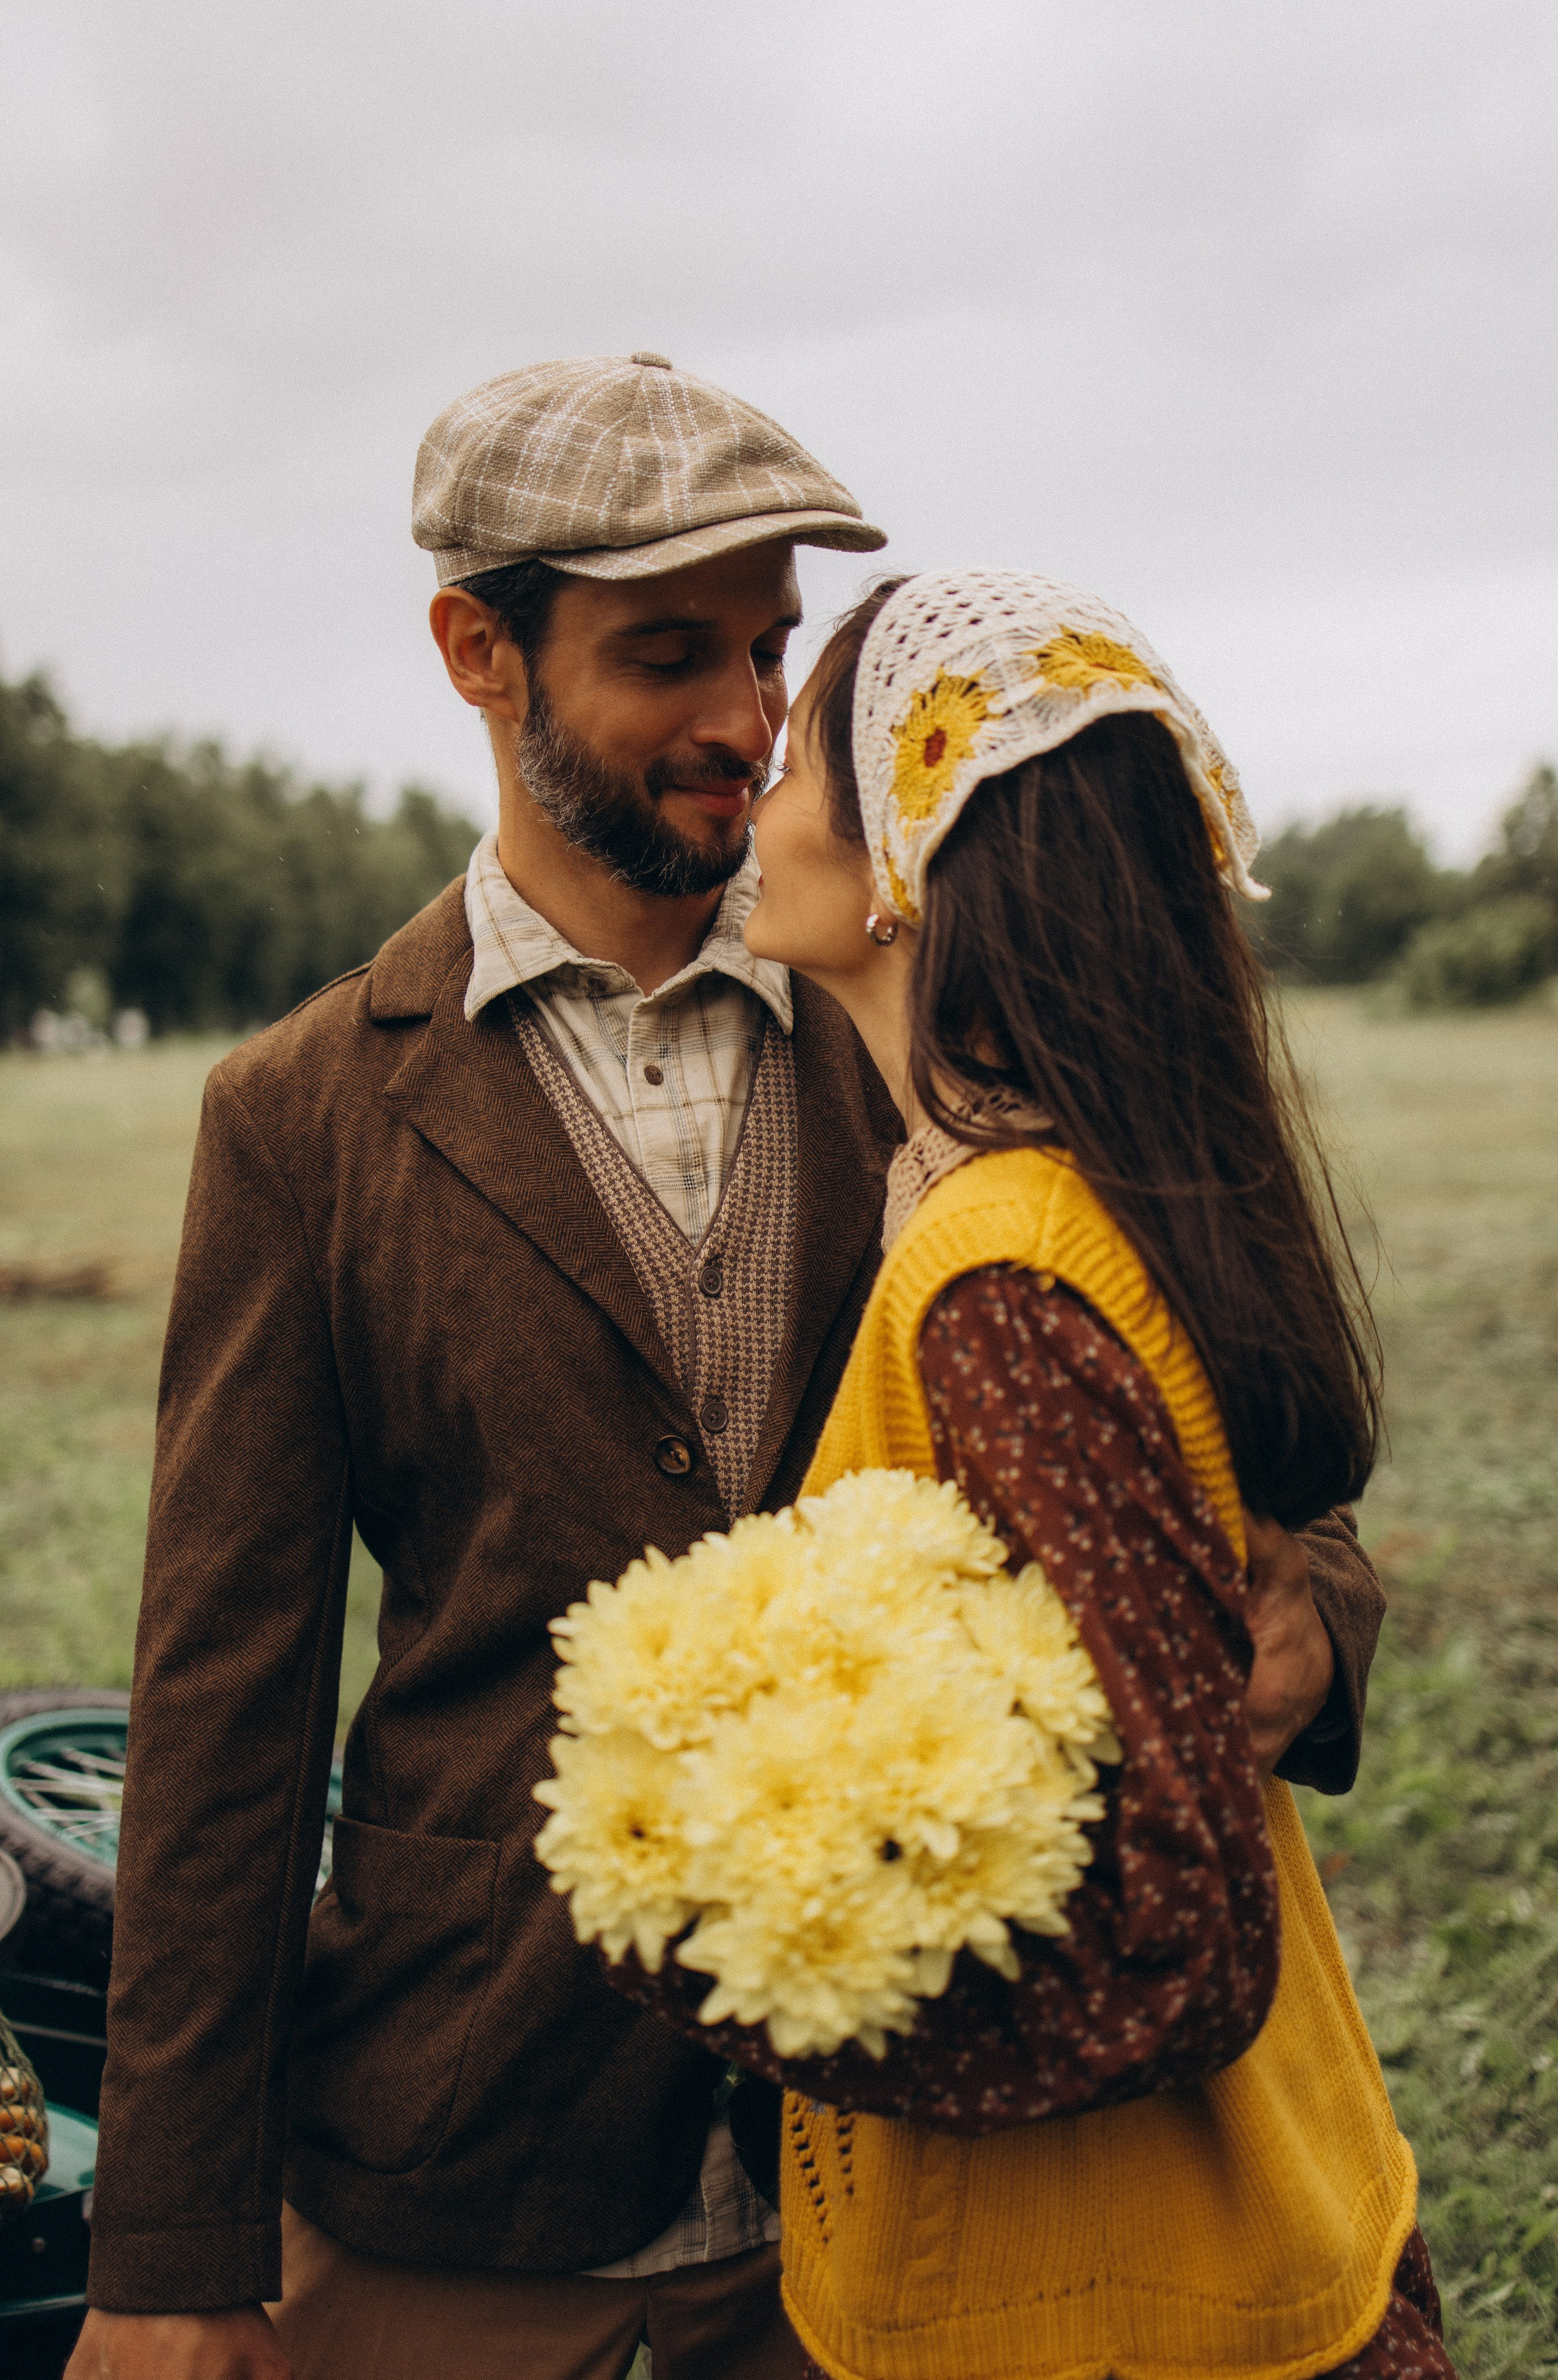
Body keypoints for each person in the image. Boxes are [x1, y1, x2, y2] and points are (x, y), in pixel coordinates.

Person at [67, 366, 1382, 2380]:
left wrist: (1317, 1608)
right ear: (478, 651)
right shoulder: (300, 1114)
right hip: (463, 2145)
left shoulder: (940, 1028)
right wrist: (168, 2255)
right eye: (667, 654)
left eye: (771, 651)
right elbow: (220, 1701)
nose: (749, 716)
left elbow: (1223, 1417)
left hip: (924, 2161)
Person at [612, 571, 1452, 2379]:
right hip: (1220, 2236)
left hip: (1125, 2304)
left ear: (906, 848)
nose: (759, 786)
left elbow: (1178, 1939)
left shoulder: (1002, 1268)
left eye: (802, 752)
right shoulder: (1061, 1187)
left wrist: (746, 1984)